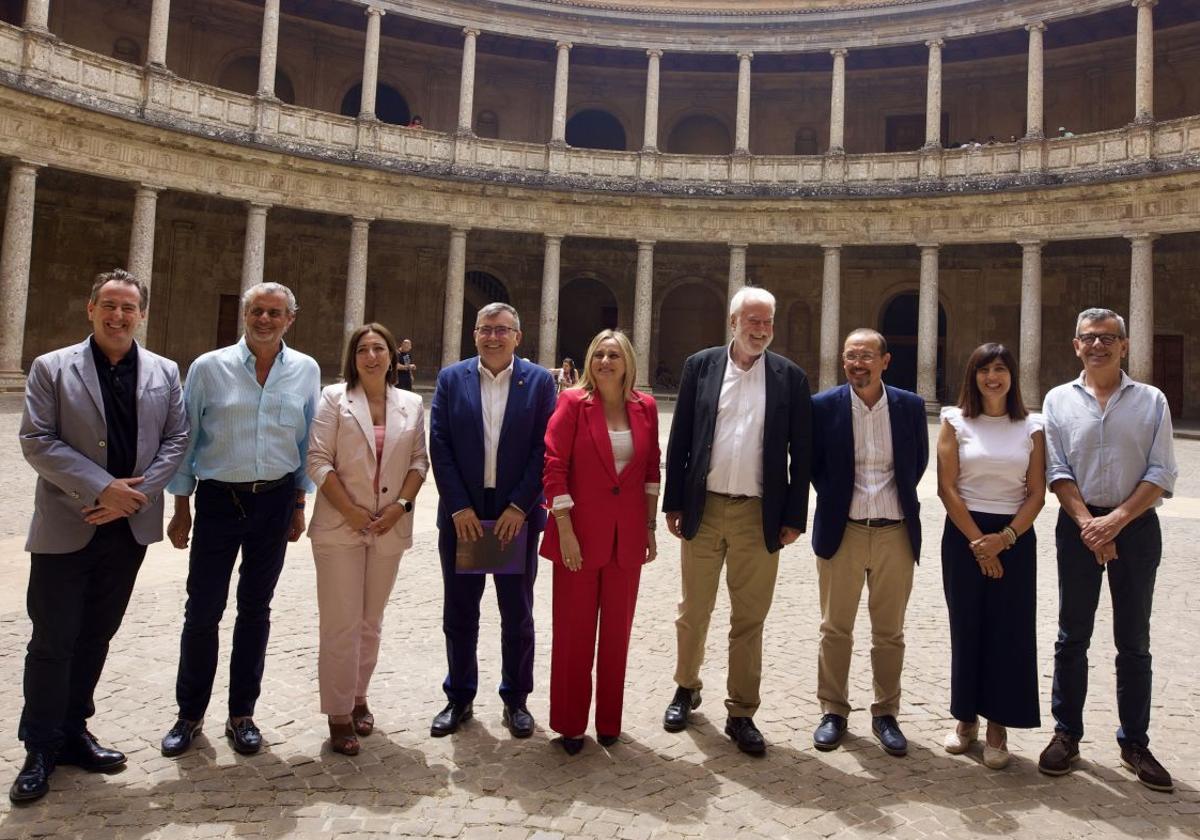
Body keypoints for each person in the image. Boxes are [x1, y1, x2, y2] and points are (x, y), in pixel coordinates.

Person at [10, 270, 189, 803]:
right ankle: (39, 746)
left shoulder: (163, 370)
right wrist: (101, 489)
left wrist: (134, 497)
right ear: (91, 309)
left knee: (95, 635)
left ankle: (73, 733)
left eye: (128, 307)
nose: (118, 316)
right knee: (52, 640)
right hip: (69, 523)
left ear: (142, 315)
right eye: (108, 305)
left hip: (127, 528)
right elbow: (36, 439)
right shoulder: (52, 367)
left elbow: (177, 439)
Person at [160, 282, 321, 758]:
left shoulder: (306, 370)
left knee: (256, 609)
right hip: (217, 499)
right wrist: (180, 506)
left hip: (273, 501)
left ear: (290, 319)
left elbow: (306, 440)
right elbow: (186, 438)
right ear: (245, 315)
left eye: (274, 313)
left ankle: (242, 714)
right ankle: (189, 714)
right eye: (257, 311)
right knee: (202, 610)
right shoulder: (209, 368)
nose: (264, 320)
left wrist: (298, 502)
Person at [662, 286, 812, 755]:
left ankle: (742, 711)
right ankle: (686, 687)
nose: (760, 330)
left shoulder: (790, 377)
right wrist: (673, 504)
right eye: (752, 321)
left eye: (767, 322)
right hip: (704, 506)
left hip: (757, 512)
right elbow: (681, 436)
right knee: (694, 610)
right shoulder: (700, 366)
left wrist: (794, 516)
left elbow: (801, 454)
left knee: (750, 619)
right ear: (733, 322)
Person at [1038, 307, 1177, 792]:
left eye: (1108, 338)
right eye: (1089, 338)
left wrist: (1116, 521)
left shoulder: (1151, 400)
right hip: (1077, 525)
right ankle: (1066, 734)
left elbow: (1161, 472)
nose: (1098, 345)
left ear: (1124, 345)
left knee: (1133, 641)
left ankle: (1134, 742)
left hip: (1135, 527)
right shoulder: (1057, 400)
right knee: (1070, 635)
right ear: (1076, 345)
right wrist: (1089, 524)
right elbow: (1056, 469)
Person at [428, 302, 556, 738]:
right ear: (474, 334)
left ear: (518, 337)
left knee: (516, 613)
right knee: (459, 612)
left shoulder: (539, 381)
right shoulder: (452, 378)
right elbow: (440, 444)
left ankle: (516, 699)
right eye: (485, 329)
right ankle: (459, 696)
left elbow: (546, 447)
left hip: (513, 517)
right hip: (463, 512)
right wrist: (459, 506)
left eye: (502, 330)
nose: (493, 337)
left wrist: (521, 506)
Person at [307, 324, 428, 755]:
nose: (372, 356)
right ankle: (338, 714)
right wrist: (350, 510)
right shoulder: (333, 398)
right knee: (340, 622)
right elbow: (318, 459)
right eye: (363, 349)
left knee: (370, 621)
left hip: (388, 525)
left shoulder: (411, 404)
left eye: (379, 348)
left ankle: (359, 696)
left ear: (393, 356)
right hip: (342, 525)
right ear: (353, 357)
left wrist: (400, 507)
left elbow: (418, 462)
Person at [541, 330, 660, 755]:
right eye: (599, 355)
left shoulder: (645, 408)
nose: (605, 362)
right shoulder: (573, 403)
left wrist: (649, 528)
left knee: (617, 635)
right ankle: (571, 724)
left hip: (625, 538)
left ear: (628, 362)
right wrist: (565, 528)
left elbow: (650, 470)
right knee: (573, 634)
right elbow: (554, 466)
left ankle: (610, 721)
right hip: (578, 535)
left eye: (613, 355)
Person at [809, 328, 928, 757]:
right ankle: (833, 711)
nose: (857, 364)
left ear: (885, 361)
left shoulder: (910, 407)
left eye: (865, 356)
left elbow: (916, 463)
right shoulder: (822, 407)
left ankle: (885, 712)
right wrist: (842, 499)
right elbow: (812, 466)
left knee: (889, 632)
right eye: (850, 357)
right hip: (844, 530)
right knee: (834, 629)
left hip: (895, 530)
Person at [936, 343, 1045, 770]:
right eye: (983, 370)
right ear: (972, 376)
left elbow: (1037, 491)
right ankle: (966, 719)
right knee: (967, 627)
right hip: (965, 534)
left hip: (1014, 536)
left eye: (1000, 369)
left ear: (1012, 375)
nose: (992, 377)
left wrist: (1005, 538)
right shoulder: (954, 420)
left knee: (1009, 632)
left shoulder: (1032, 426)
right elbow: (948, 488)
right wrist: (980, 543)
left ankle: (999, 724)